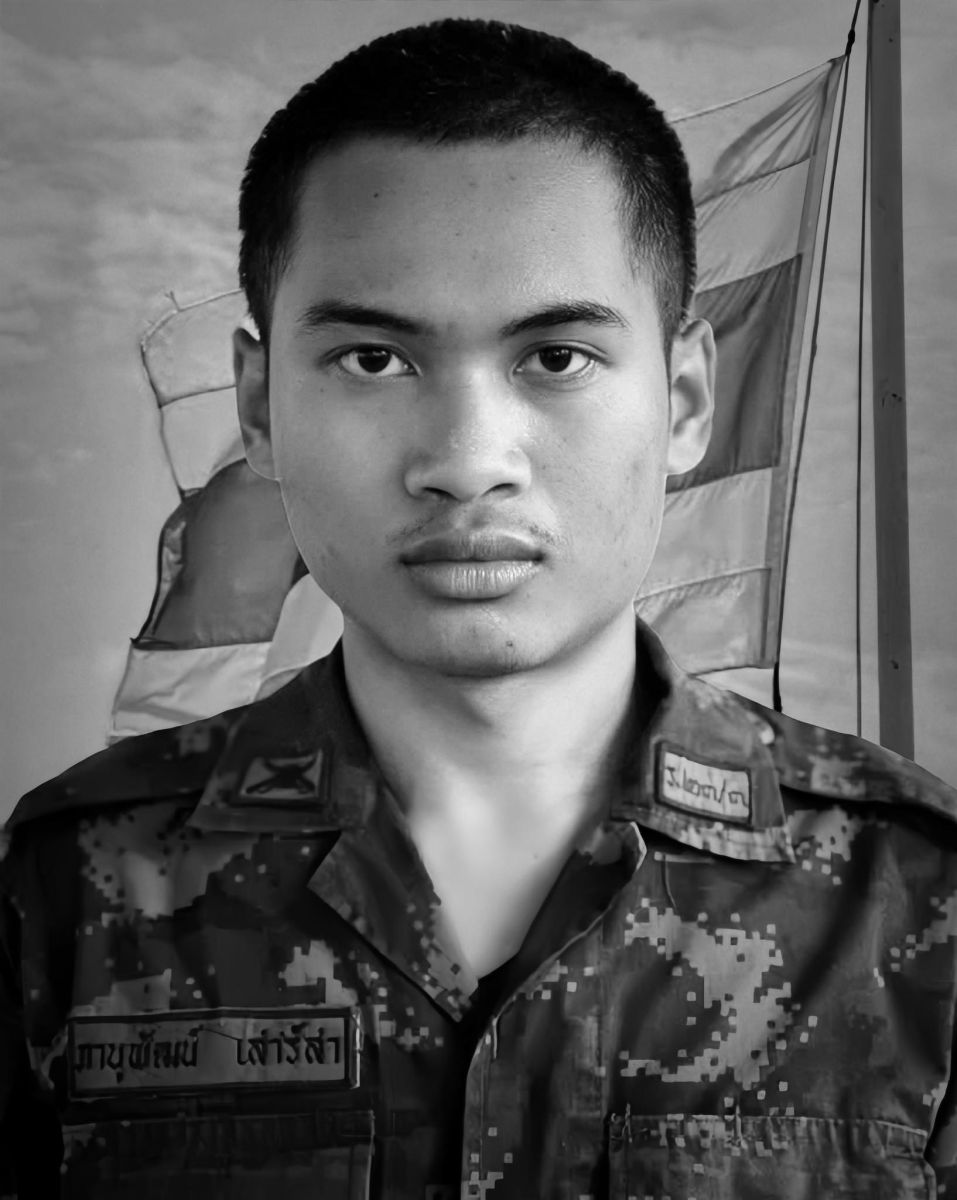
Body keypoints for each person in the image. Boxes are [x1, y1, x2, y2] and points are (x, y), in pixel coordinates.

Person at [2, 17, 956, 1199]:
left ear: (686, 401)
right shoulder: (61, 895)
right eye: (373, 360)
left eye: (556, 357)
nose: (465, 461)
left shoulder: (920, 898)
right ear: (258, 408)